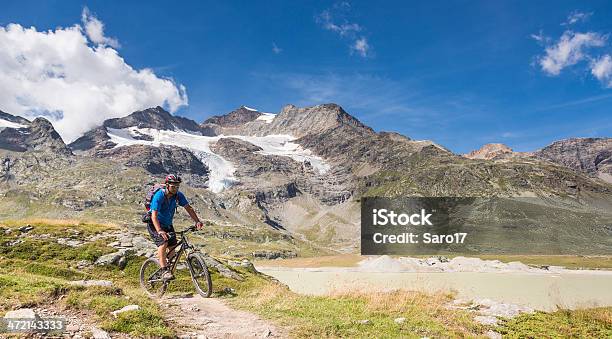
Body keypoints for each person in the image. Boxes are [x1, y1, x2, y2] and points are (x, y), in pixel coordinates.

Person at [147, 174, 203, 280]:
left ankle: (167, 267)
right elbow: (154, 215)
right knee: (163, 243)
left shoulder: (178, 195)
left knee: (172, 249)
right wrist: (159, 231)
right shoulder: (159, 195)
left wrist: (197, 221)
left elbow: (188, 208)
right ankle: (164, 271)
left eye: (177, 186)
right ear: (167, 185)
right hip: (155, 224)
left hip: (168, 225)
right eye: (173, 186)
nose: (175, 189)